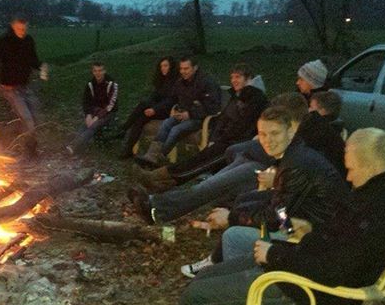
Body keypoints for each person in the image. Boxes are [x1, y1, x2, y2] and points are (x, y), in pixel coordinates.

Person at [118, 128, 385, 305]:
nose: (349, 177)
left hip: (311, 293)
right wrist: (310, 231)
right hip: (303, 270)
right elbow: (339, 246)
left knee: (198, 292)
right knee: (206, 276)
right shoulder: (382, 196)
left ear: (370, 165)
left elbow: (333, 269)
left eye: (351, 169)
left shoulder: (376, 211)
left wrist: (275, 253)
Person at [180, 104, 349, 277]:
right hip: (303, 216)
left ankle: (240, 279)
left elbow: (277, 216)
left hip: (312, 235)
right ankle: (217, 260)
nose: (268, 140)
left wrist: (230, 217)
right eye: (262, 134)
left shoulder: (295, 164)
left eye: (275, 133)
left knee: (233, 234)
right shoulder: (295, 153)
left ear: (290, 132)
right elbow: (281, 206)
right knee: (246, 199)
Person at [127, 93, 309, 225]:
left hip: (263, 171)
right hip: (253, 161)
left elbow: (273, 156)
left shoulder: (299, 136)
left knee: (207, 187)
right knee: (208, 184)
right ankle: (156, 204)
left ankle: (156, 208)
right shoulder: (289, 131)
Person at [133, 63, 267, 190]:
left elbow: (244, 126)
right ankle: (161, 180)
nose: (233, 80)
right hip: (225, 139)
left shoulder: (255, 97)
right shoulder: (237, 95)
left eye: (238, 77)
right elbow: (222, 119)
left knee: (201, 162)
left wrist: (223, 138)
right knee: (198, 160)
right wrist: (213, 139)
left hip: (238, 143)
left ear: (249, 79)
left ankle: (158, 177)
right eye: (232, 77)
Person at [136, 57, 221, 168]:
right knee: (167, 123)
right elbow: (172, 99)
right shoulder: (181, 82)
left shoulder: (207, 82)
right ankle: (151, 155)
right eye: (181, 69)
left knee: (176, 129)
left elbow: (212, 107)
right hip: (183, 114)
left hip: (201, 119)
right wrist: (158, 109)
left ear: (195, 68)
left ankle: (159, 157)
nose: (183, 72)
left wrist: (190, 113)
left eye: (186, 68)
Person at [0, 14, 48, 160]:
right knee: (28, 120)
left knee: (35, 118)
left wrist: (41, 67)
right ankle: (28, 153)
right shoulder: (3, 42)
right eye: (19, 29)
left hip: (26, 87)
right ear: (13, 26)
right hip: (10, 88)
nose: (22, 32)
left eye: (24, 29)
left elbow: (33, 60)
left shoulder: (28, 40)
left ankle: (16, 140)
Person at [112, 56, 178, 159]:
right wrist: (151, 106)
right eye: (161, 66)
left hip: (169, 111)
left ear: (172, 67)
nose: (163, 68)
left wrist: (154, 109)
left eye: (166, 66)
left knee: (143, 104)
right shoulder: (162, 80)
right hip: (158, 108)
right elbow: (155, 95)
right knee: (140, 119)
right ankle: (128, 150)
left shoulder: (176, 81)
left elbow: (170, 101)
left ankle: (123, 129)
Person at [66, 62, 119, 154]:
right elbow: (86, 101)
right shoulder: (90, 84)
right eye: (95, 71)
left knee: (93, 125)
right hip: (95, 111)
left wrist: (97, 117)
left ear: (104, 71)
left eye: (100, 71)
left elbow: (110, 105)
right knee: (85, 125)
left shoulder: (112, 84)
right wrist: (88, 115)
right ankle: (76, 144)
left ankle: (73, 147)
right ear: (92, 72)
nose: (98, 73)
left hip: (109, 113)